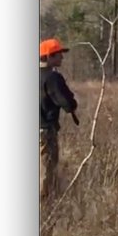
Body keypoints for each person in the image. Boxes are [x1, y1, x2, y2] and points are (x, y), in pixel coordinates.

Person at [39, 38, 79, 200]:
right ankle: (43, 204)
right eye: (57, 55)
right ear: (48, 57)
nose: (61, 58)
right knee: (46, 168)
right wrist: (72, 103)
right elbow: (67, 104)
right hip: (45, 130)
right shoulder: (53, 78)